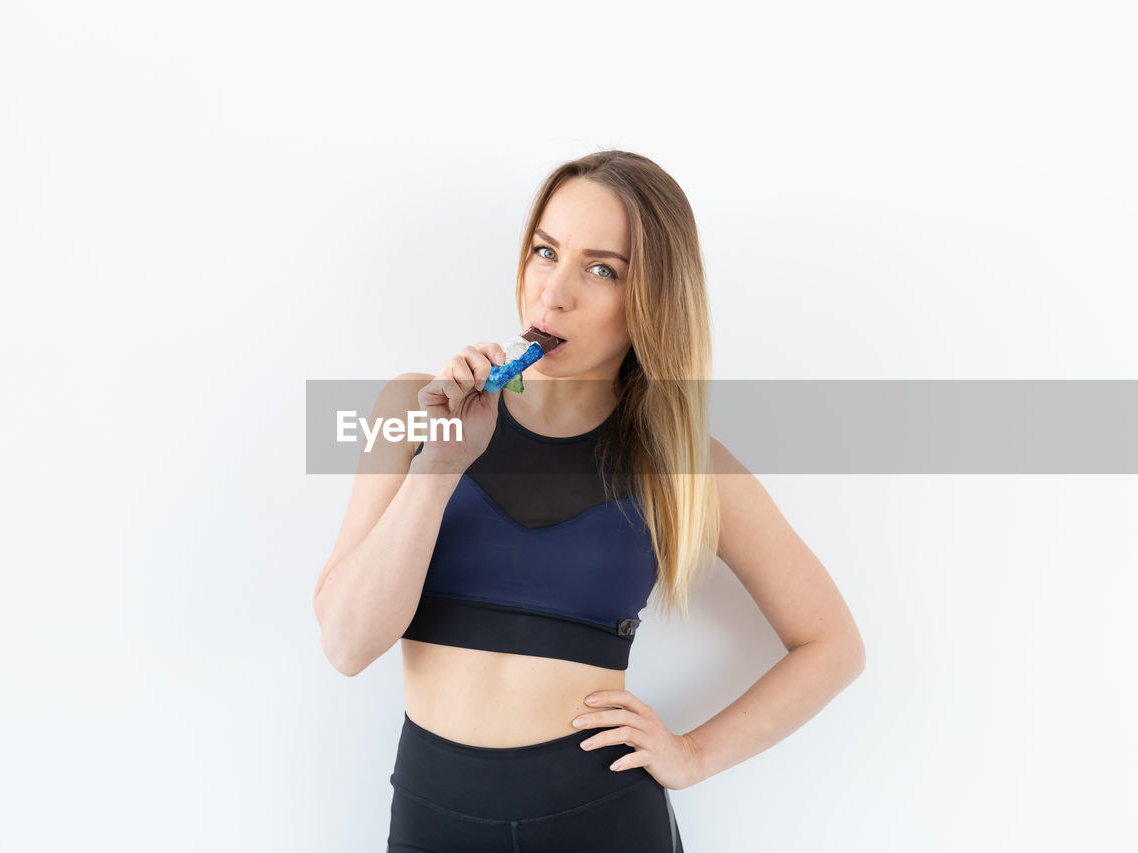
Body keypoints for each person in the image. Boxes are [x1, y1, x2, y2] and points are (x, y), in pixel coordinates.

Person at [313, 150, 866, 852]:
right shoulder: (411, 409)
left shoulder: (682, 461)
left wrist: (692, 754)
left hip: (599, 817)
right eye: (546, 252)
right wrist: (443, 463)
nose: (554, 294)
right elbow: (345, 644)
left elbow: (833, 644)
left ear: (652, 299)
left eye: (602, 268)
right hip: (431, 817)